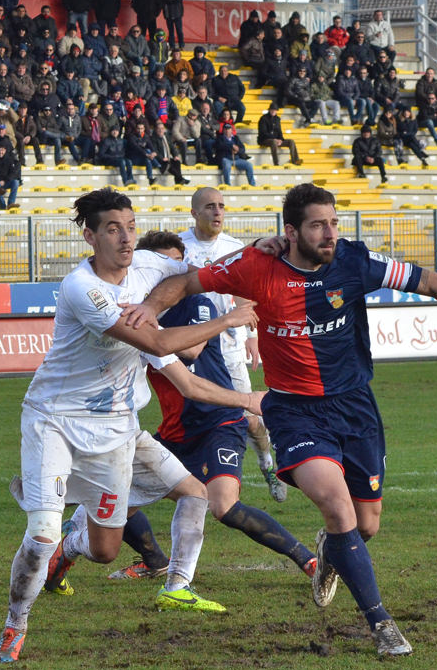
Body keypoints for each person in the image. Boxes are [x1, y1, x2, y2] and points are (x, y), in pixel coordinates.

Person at [120, 182, 437, 657]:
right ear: (291, 231)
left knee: (365, 524)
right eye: (318, 225)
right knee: (338, 508)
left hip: (356, 407)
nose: (330, 233)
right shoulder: (256, 267)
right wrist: (150, 308)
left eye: (334, 223)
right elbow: (187, 282)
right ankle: (382, 626)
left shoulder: (355, 261)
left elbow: (436, 283)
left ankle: (335, 550)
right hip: (296, 412)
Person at [0, 188, 256, 663]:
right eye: (112, 228)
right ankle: (15, 626)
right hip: (55, 420)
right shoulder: (82, 288)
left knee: (106, 549)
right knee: (43, 531)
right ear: (89, 236)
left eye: (131, 226)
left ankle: (70, 545)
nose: (125, 237)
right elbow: (158, 343)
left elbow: (208, 271)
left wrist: (273, 245)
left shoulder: (151, 264)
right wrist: (228, 319)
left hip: (116, 429)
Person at [96, 230, 312, 588]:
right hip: (176, 431)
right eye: (163, 267)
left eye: (176, 266)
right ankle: (154, 561)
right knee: (114, 501)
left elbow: (192, 352)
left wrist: (149, 330)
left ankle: (307, 558)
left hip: (217, 421)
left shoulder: (198, 305)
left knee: (223, 506)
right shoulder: (138, 315)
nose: (172, 274)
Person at [175, 187, 286, 501]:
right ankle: (195, 484)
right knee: (190, 418)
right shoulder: (179, 247)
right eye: (210, 207)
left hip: (228, 346)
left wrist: (252, 337)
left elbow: (242, 290)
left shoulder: (234, 247)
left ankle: (267, 466)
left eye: (221, 206)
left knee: (251, 420)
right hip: (191, 348)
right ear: (195, 212)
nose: (217, 213)